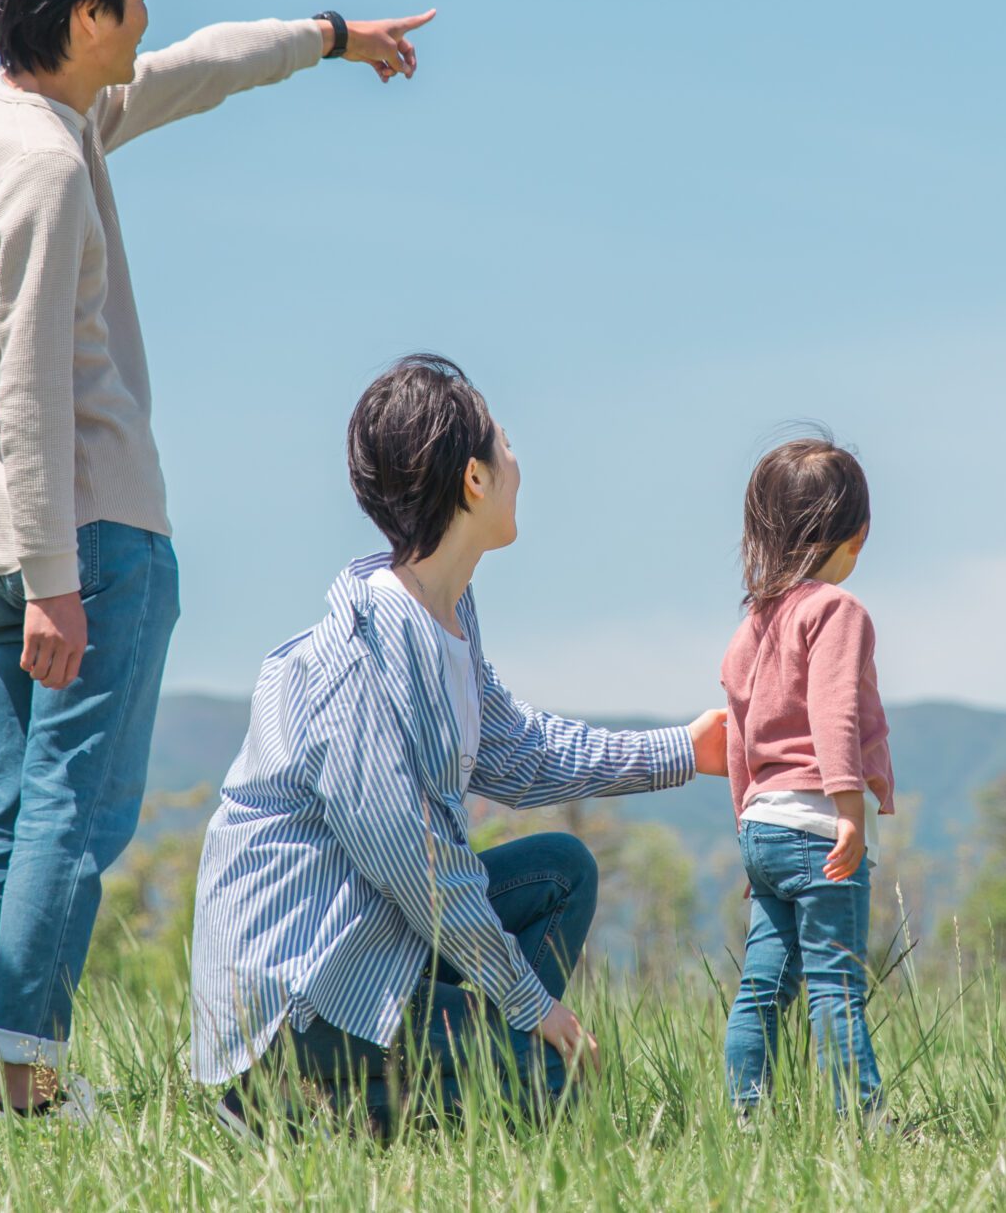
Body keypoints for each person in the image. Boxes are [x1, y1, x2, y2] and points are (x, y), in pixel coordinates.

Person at [0, 0, 435, 1119]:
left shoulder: (3, 118)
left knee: (1, 804)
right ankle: (28, 1072)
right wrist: (59, 583)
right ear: (87, 15)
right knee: (72, 818)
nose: (146, 21)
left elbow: (192, 69)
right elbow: (38, 392)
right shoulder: (47, 167)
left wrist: (322, 39)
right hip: (83, 537)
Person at [189, 355, 731, 1131]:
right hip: (302, 992)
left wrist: (684, 749)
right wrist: (529, 1002)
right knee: (551, 1079)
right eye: (505, 444)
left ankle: (438, 1086)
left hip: (374, 943)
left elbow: (520, 753)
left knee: (561, 871)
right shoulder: (361, 656)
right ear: (473, 480)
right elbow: (420, 867)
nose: (518, 462)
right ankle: (288, 1105)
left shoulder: (447, 619)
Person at [718, 435, 892, 1120]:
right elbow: (834, 709)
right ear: (858, 534)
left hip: (763, 825)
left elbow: (736, 736)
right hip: (819, 825)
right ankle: (864, 1122)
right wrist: (849, 805)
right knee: (836, 986)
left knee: (760, 987)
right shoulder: (836, 611)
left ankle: (746, 1119)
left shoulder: (754, 622)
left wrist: (746, 827)